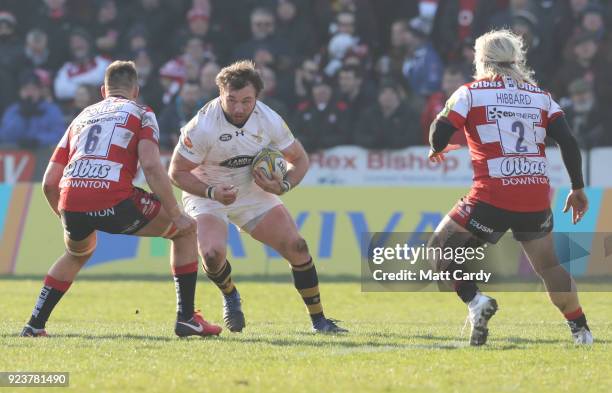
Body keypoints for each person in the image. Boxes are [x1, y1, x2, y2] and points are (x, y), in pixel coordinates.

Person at [20, 61, 221, 338]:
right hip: (113, 196)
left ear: (103, 90)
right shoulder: (141, 112)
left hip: (71, 199)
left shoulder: (81, 117)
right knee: (186, 231)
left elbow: (49, 182)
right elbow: (151, 166)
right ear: (136, 90)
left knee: (76, 253)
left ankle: (34, 324)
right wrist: (176, 213)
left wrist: (66, 217)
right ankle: (186, 318)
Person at [428, 30, 592, 346]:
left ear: (481, 60)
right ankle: (581, 330)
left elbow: (439, 133)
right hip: (534, 196)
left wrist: (438, 146)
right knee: (549, 266)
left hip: (491, 195)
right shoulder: (540, 96)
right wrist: (577, 187)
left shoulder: (470, 93)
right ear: (516, 59)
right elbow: (568, 142)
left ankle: (476, 302)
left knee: (439, 249)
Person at [168, 60, 347, 334]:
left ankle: (319, 321)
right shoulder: (202, 126)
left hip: (253, 190)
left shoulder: (269, 120)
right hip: (207, 192)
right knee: (213, 255)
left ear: (257, 97)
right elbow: (176, 172)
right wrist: (211, 191)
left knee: (297, 247)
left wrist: (284, 185)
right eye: (232, 100)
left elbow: (299, 160)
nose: (239, 108)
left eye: (246, 101)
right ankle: (230, 295)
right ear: (220, 94)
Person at [0, 71, 65, 148]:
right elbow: (4, 135)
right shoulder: (13, 110)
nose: (30, 93)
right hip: (17, 155)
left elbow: (59, 134)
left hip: (43, 154)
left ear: (40, 91)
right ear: (20, 92)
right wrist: (21, 117)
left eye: (33, 89)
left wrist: (38, 140)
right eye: (26, 89)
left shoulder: (52, 110)